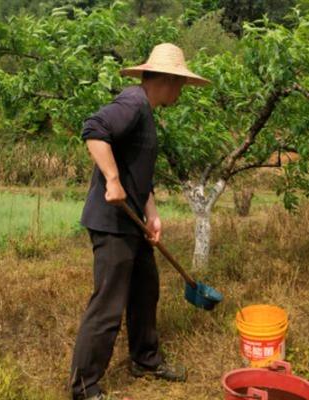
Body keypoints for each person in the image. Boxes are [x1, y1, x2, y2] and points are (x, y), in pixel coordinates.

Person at [69, 43, 210, 400]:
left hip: (133, 222)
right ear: (165, 80)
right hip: (112, 222)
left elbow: (139, 176)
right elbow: (94, 130)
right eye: (180, 84)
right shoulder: (133, 102)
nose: (181, 92)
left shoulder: (146, 112)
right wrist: (112, 180)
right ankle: (85, 387)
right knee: (108, 306)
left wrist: (152, 214)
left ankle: (145, 359)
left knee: (146, 291)